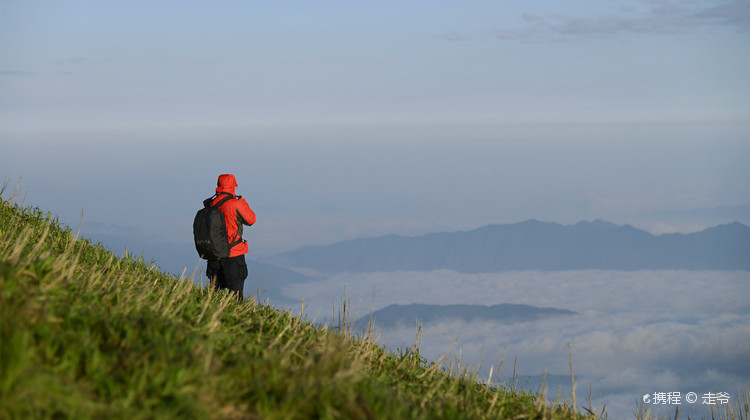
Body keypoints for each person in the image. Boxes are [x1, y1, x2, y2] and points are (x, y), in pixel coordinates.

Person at [204, 174, 256, 301]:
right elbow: (251, 219)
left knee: (214, 291)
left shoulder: (210, 203)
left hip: (214, 252)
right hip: (233, 253)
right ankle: (236, 315)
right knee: (236, 291)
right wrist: (242, 201)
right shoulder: (235, 204)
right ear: (234, 186)